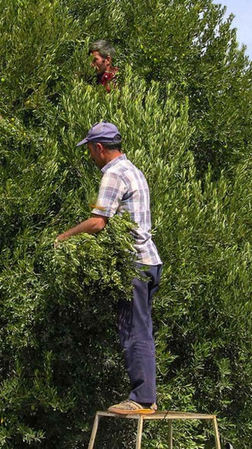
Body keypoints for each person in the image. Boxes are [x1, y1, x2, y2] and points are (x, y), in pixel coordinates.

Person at [56, 121, 162, 415]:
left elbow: (98, 222)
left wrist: (63, 237)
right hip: (149, 261)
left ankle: (141, 399)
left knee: (133, 330)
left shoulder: (113, 175)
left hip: (134, 264)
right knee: (143, 329)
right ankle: (146, 396)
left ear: (99, 148)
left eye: (90, 150)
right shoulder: (133, 170)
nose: (89, 156)